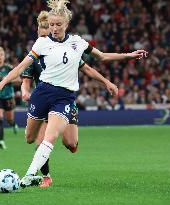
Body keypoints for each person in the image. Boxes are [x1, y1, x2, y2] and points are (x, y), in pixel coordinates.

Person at [0, 0, 148, 188]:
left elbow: (102, 56)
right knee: (30, 138)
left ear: (66, 24)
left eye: (58, 25)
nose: (54, 28)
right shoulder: (42, 43)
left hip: (64, 97)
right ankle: (36, 170)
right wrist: (2, 83)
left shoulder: (78, 43)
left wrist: (128, 55)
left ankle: (29, 176)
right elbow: (21, 66)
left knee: (50, 137)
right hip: (42, 93)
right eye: (51, 25)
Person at [21, 10, 118, 188]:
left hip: (64, 99)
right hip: (44, 99)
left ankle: (65, 147)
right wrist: (25, 91)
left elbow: (88, 68)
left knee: (71, 143)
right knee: (41, 139)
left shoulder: (69, 48)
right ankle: (45, 176)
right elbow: (25, 80)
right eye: (44, 33)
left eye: (50, 31)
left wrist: (106, 82)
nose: (49, 35)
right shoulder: (37, 53)